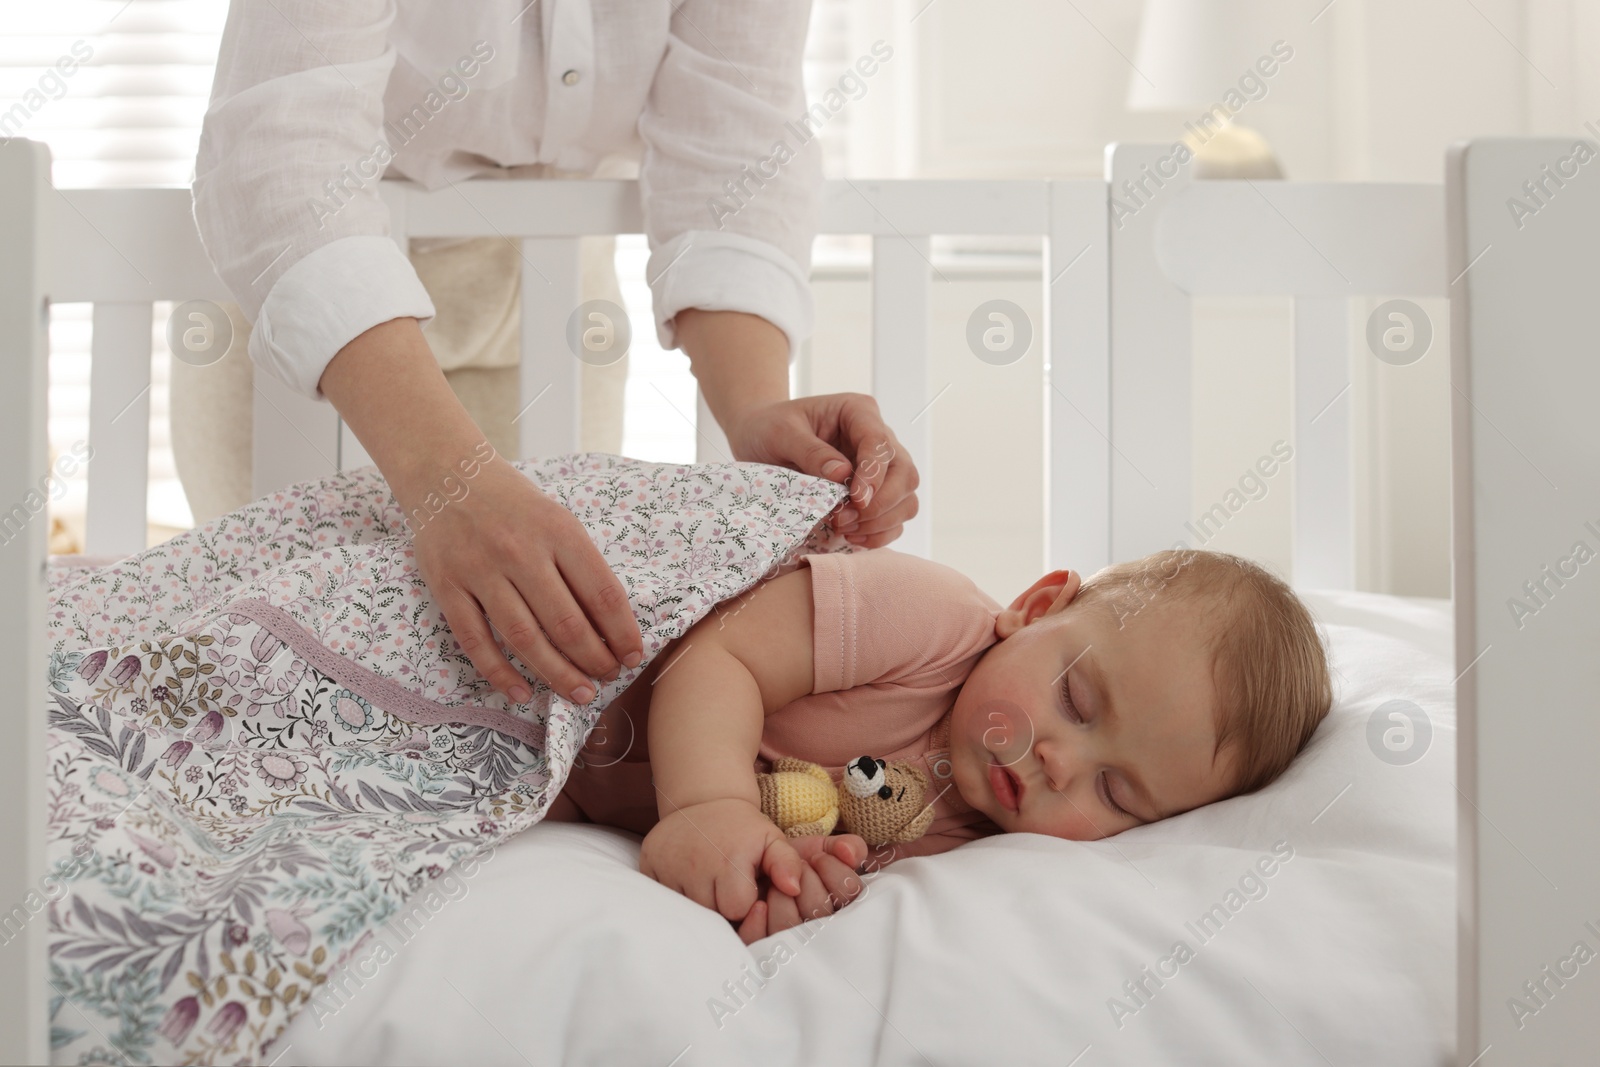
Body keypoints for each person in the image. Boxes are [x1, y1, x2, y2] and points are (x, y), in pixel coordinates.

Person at [189, 0, 919, 714]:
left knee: (523, 685)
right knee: (273, 685)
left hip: (559, 301)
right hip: (322, 315)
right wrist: (454, 482)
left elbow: (733, 147)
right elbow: (285, 149)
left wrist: (757, 405)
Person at [547, 547, 1333, 944]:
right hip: (567, 649)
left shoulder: (978, 853)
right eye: (1076, 699)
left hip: (550, 790)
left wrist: (781, 883)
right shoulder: (928, 621)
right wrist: (707, 804)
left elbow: (813, 849)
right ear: (1037, 605)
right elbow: (718, 654)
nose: (1061, 760)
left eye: (1116, 793)